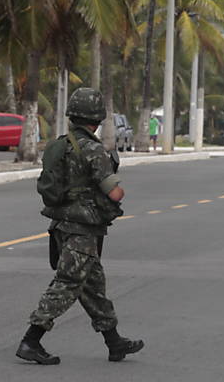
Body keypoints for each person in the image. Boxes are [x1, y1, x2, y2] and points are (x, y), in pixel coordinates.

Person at [17, 87, 143, 366]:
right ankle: (31, 339)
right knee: (68, 283)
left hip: (62, 224)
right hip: (82, 228)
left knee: (93, 285)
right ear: (97, 119)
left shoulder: (60, 145)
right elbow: (114, 193)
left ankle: (114, 342)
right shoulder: (93, 149)